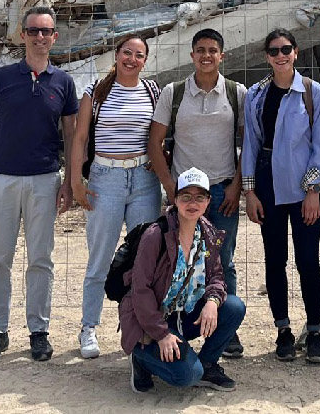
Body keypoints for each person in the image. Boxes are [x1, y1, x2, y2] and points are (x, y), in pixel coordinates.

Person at [0, 5, 79, 364]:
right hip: (2, 179)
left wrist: (71, 183)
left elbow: (72, 134)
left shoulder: (63, 83)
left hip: (45, 179)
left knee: (41, 259)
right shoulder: (1, 78)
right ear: (22, 35)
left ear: (54, 38)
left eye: (46, 31)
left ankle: (39, 331)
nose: (40, 37)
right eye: (33, 31)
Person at [148, 28, 247, 358]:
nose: (207, 55)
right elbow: (154, 142)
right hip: (186, 195)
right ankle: (174, 324)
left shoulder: (236, 93)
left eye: (213, 50)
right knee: (178, 260)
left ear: (222, 56)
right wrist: (169, 186)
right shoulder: (174, 93)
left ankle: (223, 331)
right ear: (192, 55)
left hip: (221, 192)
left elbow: (249, 143)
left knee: (224, 260)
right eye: (200, 49)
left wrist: (237, 186)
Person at [69, 33, 162, 359]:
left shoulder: (153, 91)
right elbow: (79, 138)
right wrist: (75, 182)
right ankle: (89, 327)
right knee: (99, 258)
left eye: (138, 55)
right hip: (104, 179)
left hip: (143, 181)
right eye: (127, 53)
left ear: (145, 61)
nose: (131, 60)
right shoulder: (95, 92)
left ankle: (140, 328)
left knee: (145, 259)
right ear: (117, 54)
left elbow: (160, 135)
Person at [240, 28, 320, 363]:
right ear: (267, 56)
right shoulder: (256, 95)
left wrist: (313, 190)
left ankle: (315, 330)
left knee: (308, 260)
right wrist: (249, 191)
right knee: (275, 259)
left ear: (296, 52)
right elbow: (249, 143)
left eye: (286, 49)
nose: (281, 56)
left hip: (303, 187)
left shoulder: (312, 91)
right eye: (274, 51)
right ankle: (283, 330)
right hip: (268, 185)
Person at [121, 167, 247, 394]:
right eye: (186, 196)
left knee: (233, 307)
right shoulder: (156, 235)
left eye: (200, 197)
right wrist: (161, 334)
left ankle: (207, 364)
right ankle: (141, 358)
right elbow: (140, 290)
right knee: (187, 375)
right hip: (150, 323)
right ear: (175, 199)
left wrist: (212, 301)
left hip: (184, 316)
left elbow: (217, 276)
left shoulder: (208, 233)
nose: (193, 203)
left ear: (208, 201)